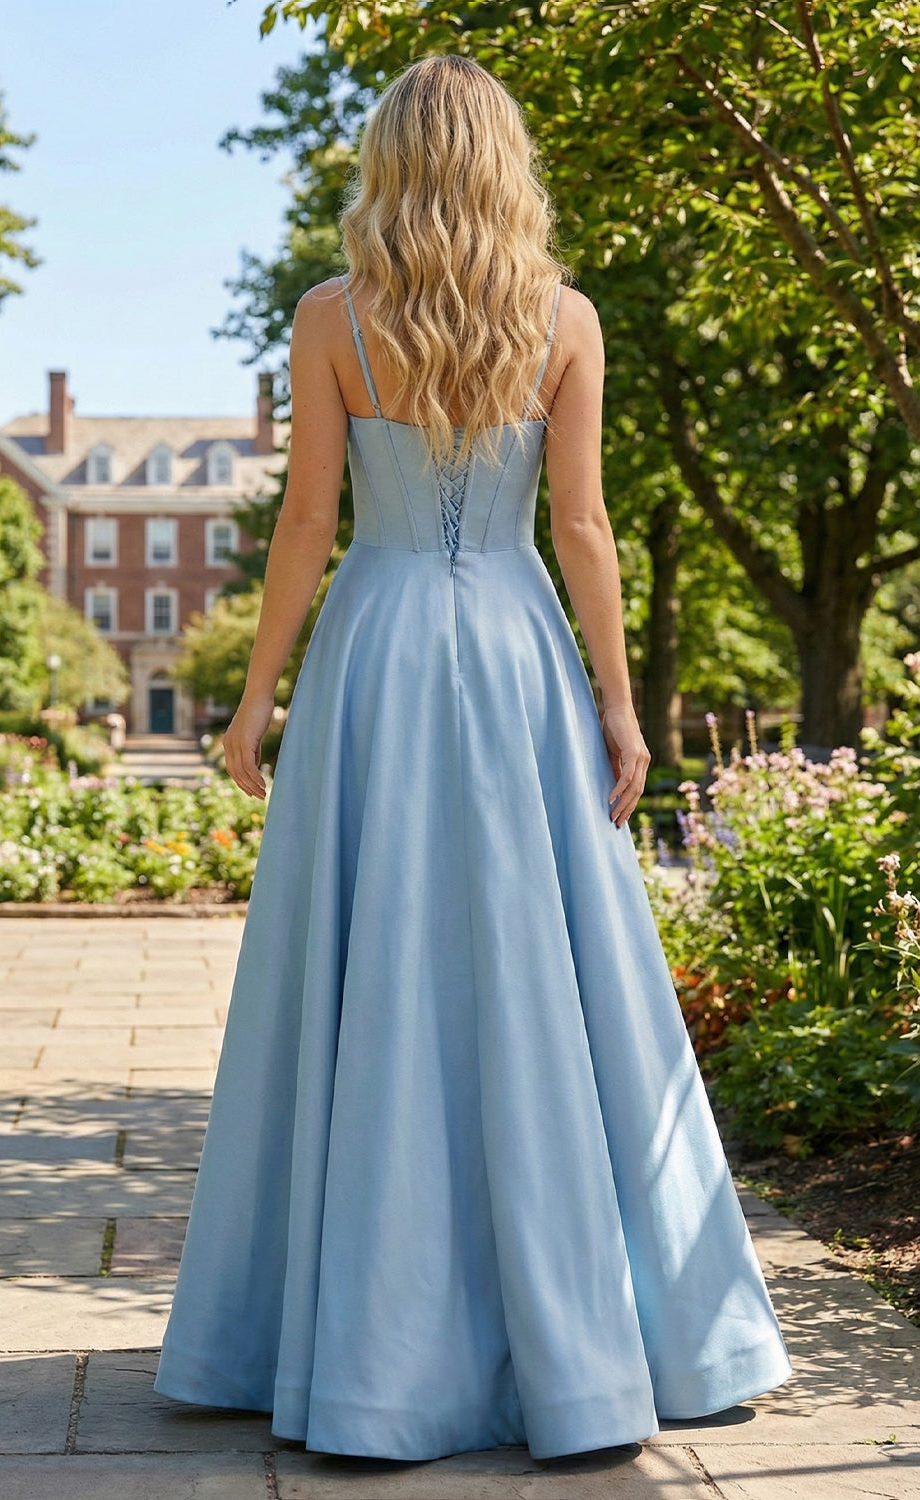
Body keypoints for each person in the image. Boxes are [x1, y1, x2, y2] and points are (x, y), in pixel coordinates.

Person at [153, 53, 792, 1462]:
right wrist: (619, 707)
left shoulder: (332, 318)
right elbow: (583, 530)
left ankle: (357, 1351)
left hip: (375, 648)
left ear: (387, 162)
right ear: (507, 165)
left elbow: (308, 524)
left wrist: (255, 703)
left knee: (366, 967)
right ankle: (600, 1338)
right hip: (515, 654)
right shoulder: (563, 319)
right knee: (539, 969)